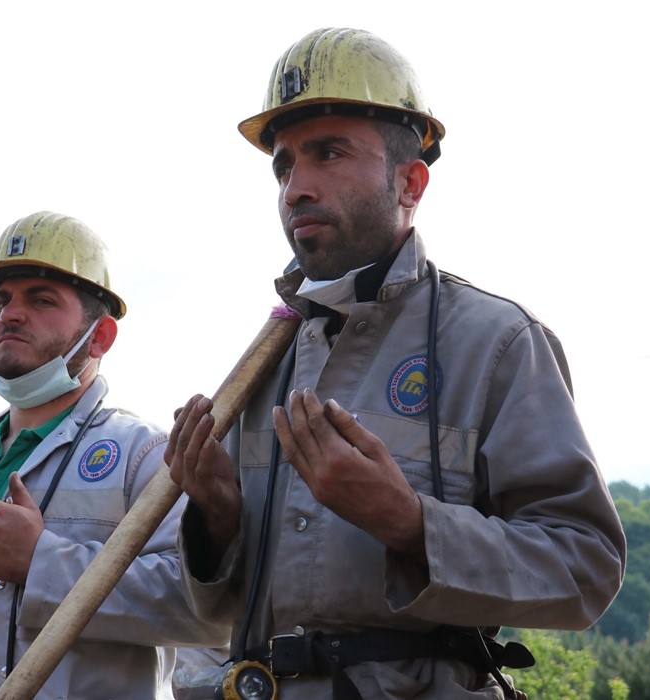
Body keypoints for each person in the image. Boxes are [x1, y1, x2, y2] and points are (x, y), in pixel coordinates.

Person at [165, 28, 626, 700]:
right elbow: (217, 612)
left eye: (328, 153)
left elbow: (587, 570)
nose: (296, 188)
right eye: (285, 165)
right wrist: (218, 521)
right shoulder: (260, 363)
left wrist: (408, 522)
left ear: (410, 181)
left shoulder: (497, 343)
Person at [0, 211, 228, 699]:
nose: (9, 315)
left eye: (41, 300)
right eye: (0, 302)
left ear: (99, 336)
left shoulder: (144, 456)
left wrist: (39, 563)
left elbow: (208, 613)